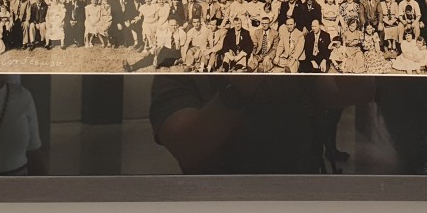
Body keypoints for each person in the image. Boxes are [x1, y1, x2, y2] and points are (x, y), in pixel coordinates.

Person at [149, 75, 375, 174]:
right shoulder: (181, 61)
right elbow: (186, 146)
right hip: (217, 206)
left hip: (297, 198)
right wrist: (242, 83)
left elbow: (348, 92)